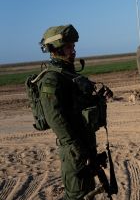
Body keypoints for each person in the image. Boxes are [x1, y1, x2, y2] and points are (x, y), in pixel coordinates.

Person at [37, 24, 113, 199]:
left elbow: (78, 106)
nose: (73, 51)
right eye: (68, 47)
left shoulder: (69, 74)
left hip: (85, 143)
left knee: (86, 191)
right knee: (77, 194)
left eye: (73, 46)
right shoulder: (52, 79)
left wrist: (99, 98)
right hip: (74, 150)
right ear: (55, 50)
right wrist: (77, 148)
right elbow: (55, 118)